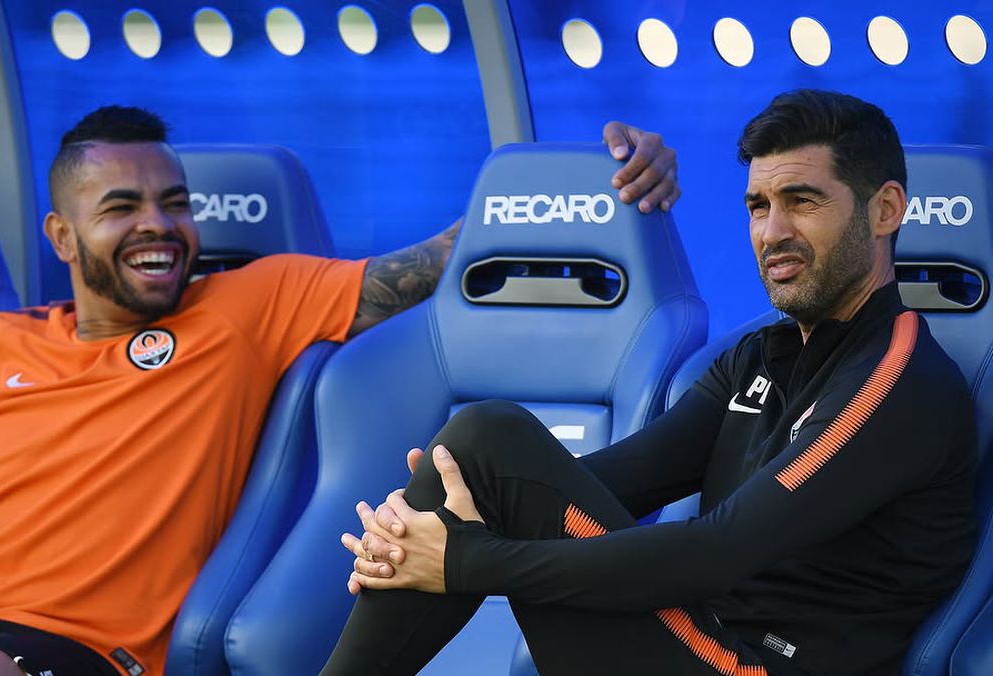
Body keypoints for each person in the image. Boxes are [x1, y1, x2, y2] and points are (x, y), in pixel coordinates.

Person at [0, 106, 679, 676]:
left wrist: (608, 177)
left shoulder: (250, 305)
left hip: (77, 655)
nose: (159, 226)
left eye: (174, 203)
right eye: (122, 208)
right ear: (61, 236)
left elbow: (465, 251)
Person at [329, 89, 977, 676]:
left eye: (802, 202)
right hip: (696, 638)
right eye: (758, 207)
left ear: (885, 210)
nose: (773, 232)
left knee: (485, 445)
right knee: (480, 448)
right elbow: (596, 485)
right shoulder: (757, 358)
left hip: (759, 664)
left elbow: (717, 552)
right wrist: (447, 511)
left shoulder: (899, 380)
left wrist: (463, 560)